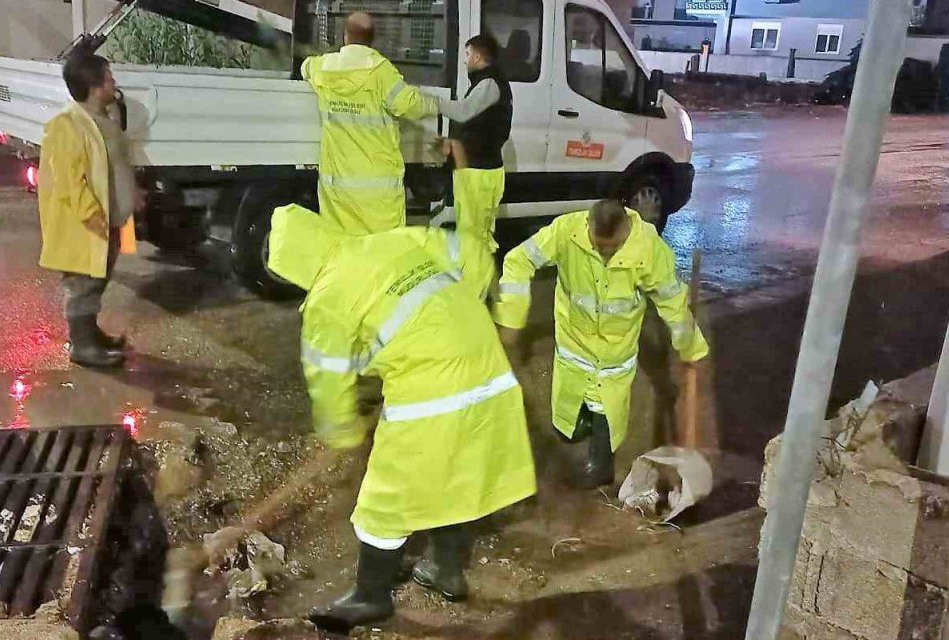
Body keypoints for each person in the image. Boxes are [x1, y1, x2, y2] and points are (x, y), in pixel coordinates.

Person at [266, 203, 536, 633]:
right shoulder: (392, 240)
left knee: (382, 502)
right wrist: (452, 315)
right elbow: (473, 253)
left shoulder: (327, 301)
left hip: (432, 397)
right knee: (459, 476)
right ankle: (445, 570)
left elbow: (329, 381)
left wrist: (343, 432)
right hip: (489, 371)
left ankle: (370, 598)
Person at [494, 199, 709, 488]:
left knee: (606, 405)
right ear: (588, 227)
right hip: (574, 341)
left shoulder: (648, 248)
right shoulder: (566, 232)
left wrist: (690, 346)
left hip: (615, 350)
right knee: (567, 413)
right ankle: (575, 426)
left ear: (626, 230)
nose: (605, 254)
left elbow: (672, 301)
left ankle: (602, 461)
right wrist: (511, 315)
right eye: (599, 247)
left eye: (613, 247)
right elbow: (518, 260)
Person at [37, 52, 142, 368]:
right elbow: (70, 181)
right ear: (95, 87)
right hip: (86, 225)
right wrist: (92, 217)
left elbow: (112, 167)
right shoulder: (66, 126)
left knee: (96, 282)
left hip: (108, 221)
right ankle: (82, 346)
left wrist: (131, 195)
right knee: (82, 285)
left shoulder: (102, 120)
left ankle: (89, 335)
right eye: (109, 78)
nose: (114, 83)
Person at [301, 12, 439, 235]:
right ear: (372, 39)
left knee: (343, 251)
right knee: (381, 256)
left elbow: (305, 67)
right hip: (378, 192)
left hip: (338, 190)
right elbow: (412, 106)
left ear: (345, 36)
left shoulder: (324, 67)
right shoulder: (381, 71)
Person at [432, 33, 513, 299]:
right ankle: (486, 291)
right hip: (478, 171)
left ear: (478, 56)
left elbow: (464, 112)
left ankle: (474, 297)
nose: (465, 61)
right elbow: (475, 124)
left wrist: (430, 102)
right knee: (478, 235)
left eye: (467, 55)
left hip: (480, 173)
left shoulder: (489, 83)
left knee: (473, 238)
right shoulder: (487, 82)